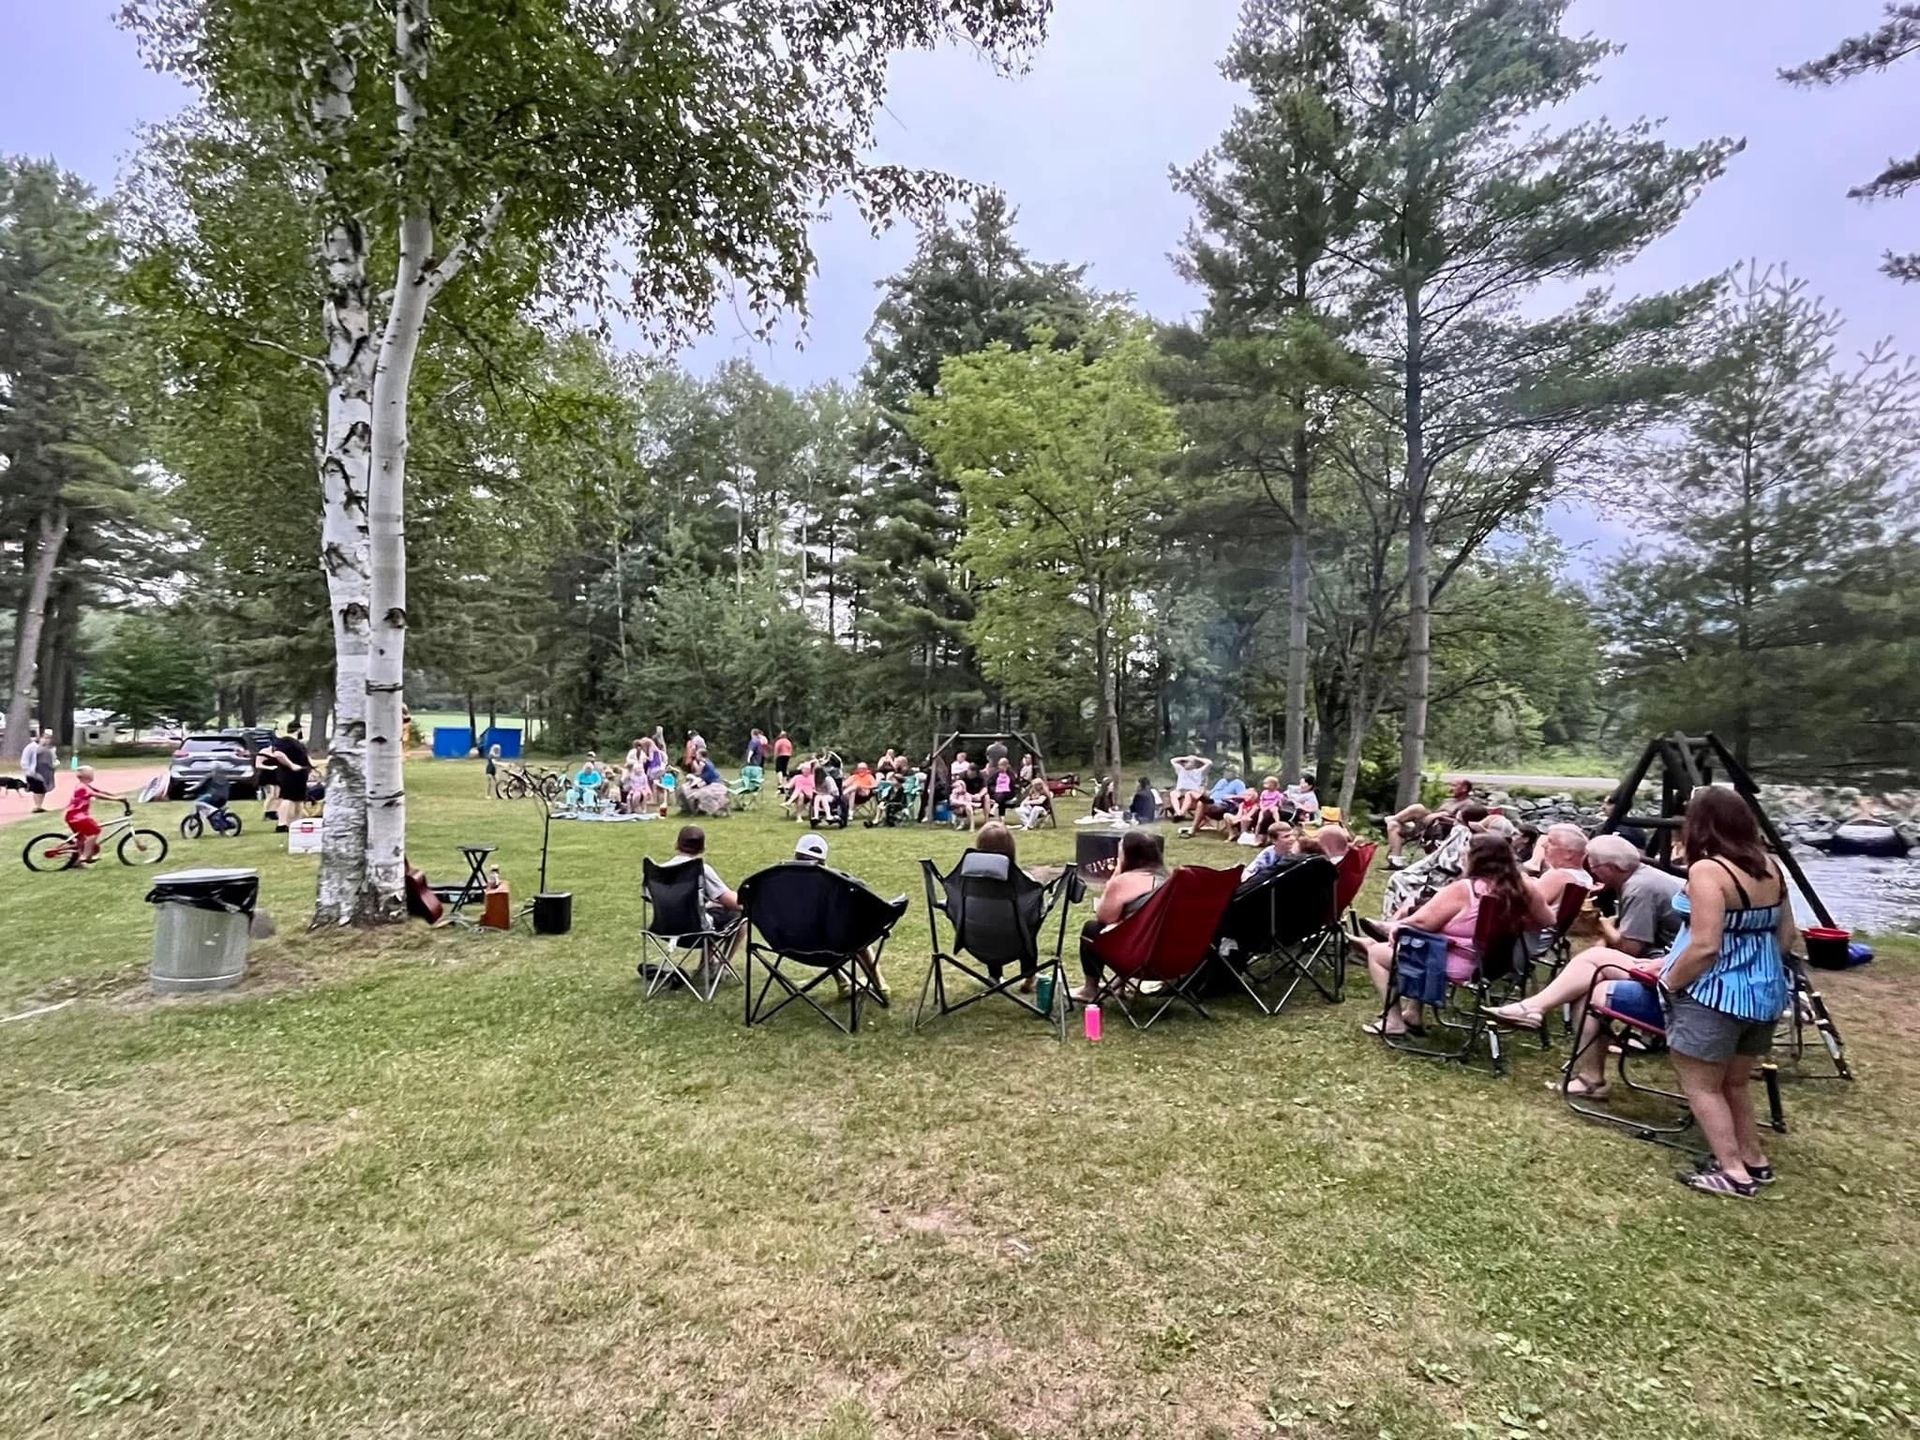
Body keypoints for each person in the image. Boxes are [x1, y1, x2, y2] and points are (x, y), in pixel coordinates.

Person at [1354, 833, 1553, 1037]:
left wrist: (1398, 926)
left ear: (1476, 858)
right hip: (1497, 965)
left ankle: (1393, 1021)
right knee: (1437, 940)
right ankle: (1413, 1013)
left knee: (1379, 953)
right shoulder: (1523, 888)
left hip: (1460, 965)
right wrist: (1515, 923)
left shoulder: (1465, 889)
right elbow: (1548, 921)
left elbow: (1423, 922)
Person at [1073, 829, 1169, 1001]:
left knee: (1093, 928)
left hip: (1137, 957)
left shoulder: (1126, 881)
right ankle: (1119, 985)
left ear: (1127, 855)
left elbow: (1104, 917)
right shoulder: (1169, 881)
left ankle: (1090, 989)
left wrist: (1117, 874)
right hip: (1170, 958)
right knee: (1130, 925)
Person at [791, 832, 889, 998]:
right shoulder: (838, 882)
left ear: (795, 856)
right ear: (824, 861)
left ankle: (843, 981)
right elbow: (865, 895)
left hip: (790, 945)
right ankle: (879, 983)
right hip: (834, 947)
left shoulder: (776, 882)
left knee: (821, 929)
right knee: (854, 932)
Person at [659, 824, 745, 975]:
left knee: (709, 911)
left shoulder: (660, 870)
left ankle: (705, 965)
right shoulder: (701, 870)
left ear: (677, 844)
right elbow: (733, 902)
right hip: (696, 932)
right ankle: (720, 967)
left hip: (665, 928)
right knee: (740, 918)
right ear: (702, 848)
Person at [1586, 832, 1685, 958]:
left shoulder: (1638, 889)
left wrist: (1604, 926)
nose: (1592, 872)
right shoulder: (1641, 874)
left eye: (1593, 867)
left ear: (1611, 867)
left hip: (1681, 952)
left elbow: (1630, 949)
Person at [1386, 777, 1475, 867]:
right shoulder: (1448, 801)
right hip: (1426, 827)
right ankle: (1396, 861)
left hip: (1441, 831)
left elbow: (1463, 824)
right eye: (1450, 785)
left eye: (1454, 786)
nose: (1450, 788)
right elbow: (1433, 815)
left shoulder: (1468, 804)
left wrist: (1440, 816)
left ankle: (1391, 818)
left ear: (1464, 788)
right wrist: (1437, 814)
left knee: (1418, 808)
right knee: (1393, 825)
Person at [65, 765, 123, 865]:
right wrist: (116, 799)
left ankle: (77, 861)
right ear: (86, 776)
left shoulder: (86, 786)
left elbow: (100, 792)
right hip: (77, 815)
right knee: (94, 831)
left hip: (73, 815)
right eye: (91, 773)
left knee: (81, 839)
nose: (93, 775)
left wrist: (116, 796)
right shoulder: (82, 787)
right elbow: (96, 795)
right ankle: (85, 856)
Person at [268, 725, 312, 831]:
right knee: (288, 798)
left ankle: (296, 823)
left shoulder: (298, 744)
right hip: (290, 775)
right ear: (299, 730)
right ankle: (282, 824)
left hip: (300, 775)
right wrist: (291, 765)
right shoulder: (286, 740)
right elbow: (278, 754)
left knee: (299, 800)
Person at [1186, 765, 1247, 837]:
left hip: (1224, 806)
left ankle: (1193, 829)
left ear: (1236, 774)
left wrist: (1231, 796)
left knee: (1201, 803)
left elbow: (1244, 796)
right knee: (1192, 794)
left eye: (1228, 771)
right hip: (1212, 802)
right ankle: (1204, 801)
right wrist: (1203, 790)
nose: (1225, 772)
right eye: (1225, 770)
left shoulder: (1238, 783)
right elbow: (1211, 792)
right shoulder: (1222, 781)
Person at [20, 729, 55, 812]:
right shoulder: (31, 747)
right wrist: (27, 770)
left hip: (45, 771)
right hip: (34, 772)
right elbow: (25, 759)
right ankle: (37, 805)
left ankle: (40, 805)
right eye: (45, 738)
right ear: (40, 738)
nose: (47, 740)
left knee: (43, 789)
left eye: (49, 738)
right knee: (37, 789)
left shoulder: (49, 749)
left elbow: (51, 759)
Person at [1168, 754, 1211, 820]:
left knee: (1189, 794)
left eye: (1188, 762)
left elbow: (1209, 763)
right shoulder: (1180, 770)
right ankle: (1178, 812)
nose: (1185, 763)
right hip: (1181, 792)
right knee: (1173, 793)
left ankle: (1181, 814)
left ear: (1194, 764)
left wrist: (1196, 758)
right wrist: (1186, 758)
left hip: (1193, 793)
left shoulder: (1199, 772)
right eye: (1185, 762)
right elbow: (1172, 760)